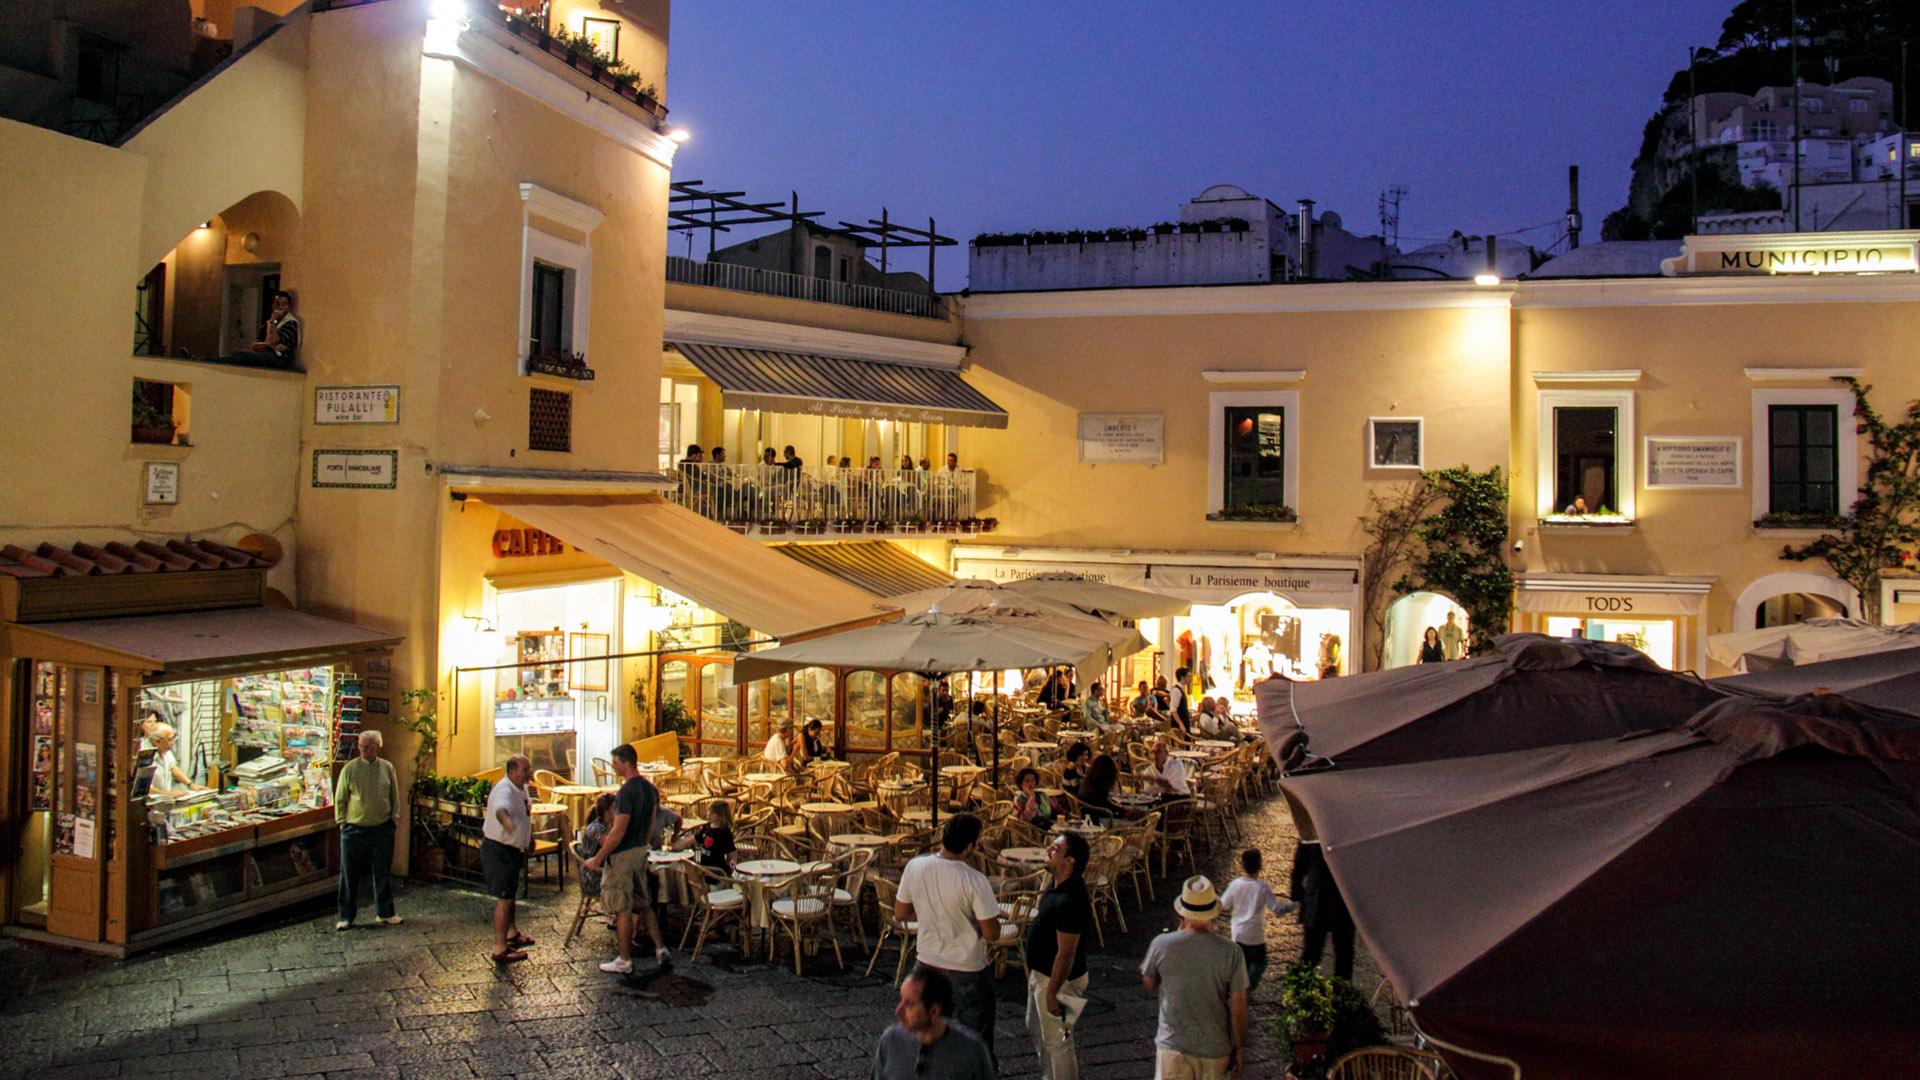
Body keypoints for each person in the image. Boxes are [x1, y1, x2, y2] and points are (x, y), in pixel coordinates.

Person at [896, 813, 1002, 1069]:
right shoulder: (974, 880)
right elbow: (992, 933)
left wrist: (933, 915)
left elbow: (901, 913)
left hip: (927, 962)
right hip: (967, 968)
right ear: (969, 846)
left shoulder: (915, 866)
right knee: (976, 1039)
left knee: (925, 1032)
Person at [1141, 877, 1250, 1080]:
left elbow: (1148, 982)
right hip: (1215, 1049)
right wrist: (1240, 1047)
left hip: (1172, 1046)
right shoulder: (1232, 952)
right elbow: (1239, 1007)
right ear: (1213, 915)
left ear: (1181, 912)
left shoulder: (1161, 944)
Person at [582, 743, 670, 974]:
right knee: (644, 903)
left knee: (622, 909)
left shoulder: (625, 793)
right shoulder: (650, 790)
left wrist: (598, 858)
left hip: (623, 855)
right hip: (641, 851)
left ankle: (624, 960)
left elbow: (618, 831)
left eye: (616, 763)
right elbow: (651, 823)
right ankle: (660, 948)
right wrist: (644, 844)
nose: (614, 767)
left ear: (627, 763)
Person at [1024, 833, 1092, 1080]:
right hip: (1042, 976)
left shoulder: (1070, 900)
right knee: (1040, 1032)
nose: (1049, 848)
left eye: (1057, 847)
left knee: (1059, 1042)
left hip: (1059, 981)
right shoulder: (1056, 884)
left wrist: (1052, 992)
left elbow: (1066, 953)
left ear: (1070, 860)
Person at [871, 965, 997, 1080]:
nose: (898, 1011)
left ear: (934, 1010)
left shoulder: (972, 1051)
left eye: (909, 1004)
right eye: (901, 1000)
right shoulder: (891, 1040)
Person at [332, 730, 401, 931]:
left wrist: (393, 818)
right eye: (361, 747)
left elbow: (393, 796)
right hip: (354, 828)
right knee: (349, 873)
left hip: (381, 828)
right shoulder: (350, 769)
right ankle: (346, 916)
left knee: (382, 872)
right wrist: (343, 822)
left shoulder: (387, 768)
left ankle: (385, 912)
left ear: (377, 747)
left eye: (368, 747)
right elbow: (341, 798)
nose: (364, 750)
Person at [1217, 848, 1299, 993]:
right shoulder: (1262, 888)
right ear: (1260, 865)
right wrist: (1294, 905)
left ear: (1242, 864)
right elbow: (1277, 909)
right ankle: (1248, 987)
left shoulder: (1235, 885)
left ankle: (1239, 989)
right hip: (1256, 936)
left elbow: (1223, 905)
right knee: (1260, 963)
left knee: (1243, 964)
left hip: (1238, 934)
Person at [482, 754, 535, 963]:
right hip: (499, 850)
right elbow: (500, 810)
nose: (528, 773)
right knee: (504, 900)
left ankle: (511, 933)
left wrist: (529, 838)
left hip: (513, 850)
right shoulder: (503, 790)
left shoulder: (521, 787)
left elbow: (525, 812)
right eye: (525, 770)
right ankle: (500, 947)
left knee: (510, 895)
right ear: (512, 771)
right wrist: (506, 823)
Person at [1290, 838, 1356, 979]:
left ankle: (1300, 990)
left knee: (1311, 954)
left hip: (1318, 899)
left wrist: (1297, 893)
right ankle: (1341, 995)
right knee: (1344, 954)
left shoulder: (1312, 832)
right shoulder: (1351, 831)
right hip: (1344, 901)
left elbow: (1299, 867)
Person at [676, 799, 737, 871]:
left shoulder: (725, 832)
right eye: (708, 811)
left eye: (712, 813)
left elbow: (732, 850)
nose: (708, 814)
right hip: (704, 866)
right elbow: (696, 838)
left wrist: (733, 861)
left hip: (716, 869)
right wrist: (680, 844)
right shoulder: (707, 827)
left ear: (720, 815)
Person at [574, 793, 617, 896]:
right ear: (607, 811)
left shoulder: (608, 825)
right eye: (616, 807)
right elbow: (612, 847)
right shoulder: (597, 830)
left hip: (602, 871)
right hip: (594, 877)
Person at [145, 723, 205, 795]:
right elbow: (144, 787)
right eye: (169, 740)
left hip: (164, 799)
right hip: (149, 802)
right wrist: (168, 794)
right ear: (157, 741)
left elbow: (173, 768)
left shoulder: (164, 750)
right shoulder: (145, 755)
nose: (172, 742)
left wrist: (190, 784)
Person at [250, 289, 300, 365]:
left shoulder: (290, 323)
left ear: (289, 307)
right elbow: (255, 346)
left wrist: (273, 322)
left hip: (279, 358)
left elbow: (274, 340)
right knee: (242, 356)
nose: (280, 307)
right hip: (263, 355)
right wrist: (269, 345)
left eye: (284, 304)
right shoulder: (267, 324)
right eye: (277, 304)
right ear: (273, 306)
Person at [1078, 754, 1120, 822]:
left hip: (1088, 815)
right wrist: (1122, 812)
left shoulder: (1089, 780)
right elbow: (1103, 805)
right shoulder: (1099, 785)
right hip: (1098, 819)